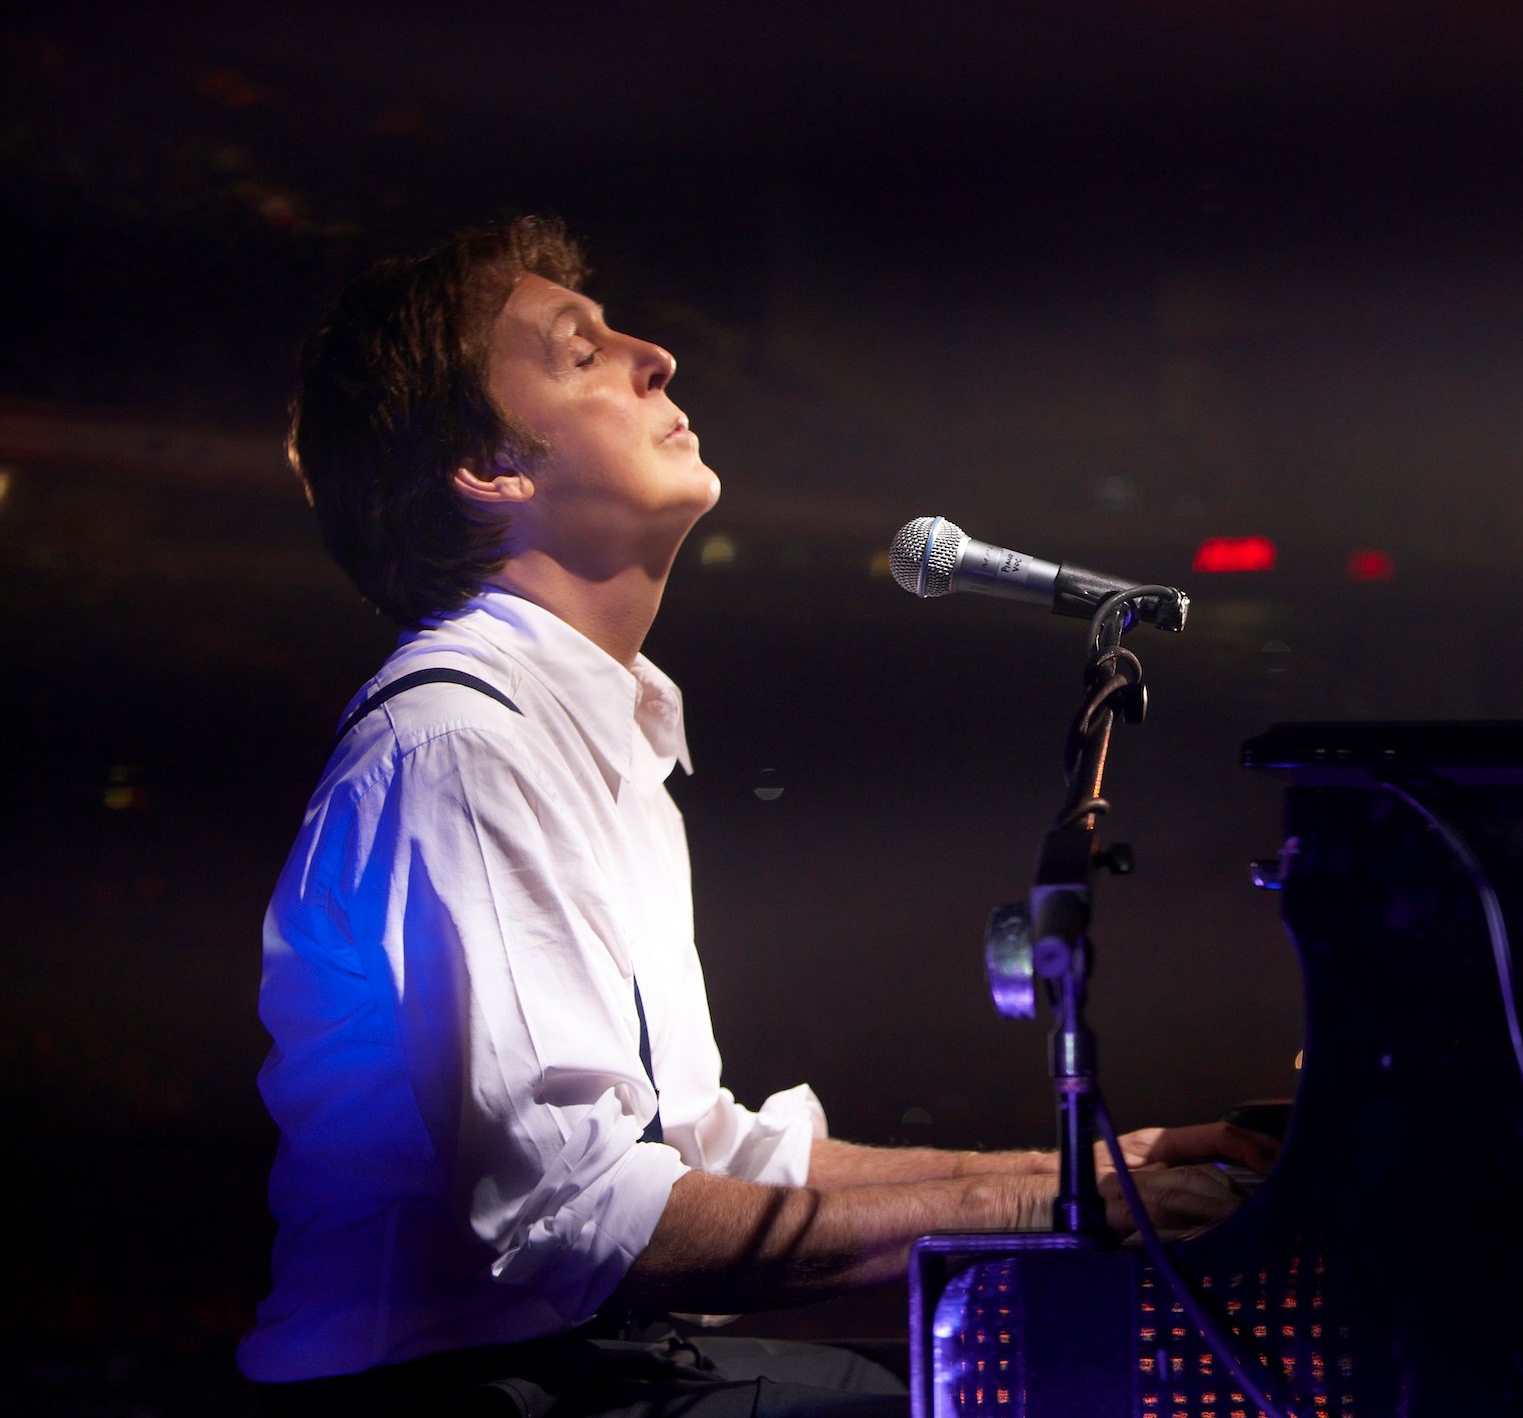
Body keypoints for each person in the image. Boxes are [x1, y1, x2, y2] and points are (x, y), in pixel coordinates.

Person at [240, 217, 1273, 1416]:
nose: (656, 354)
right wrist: (1050, 1209)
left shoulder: (592, 725)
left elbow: (705, 1157)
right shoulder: (463, 749)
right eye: (580, 353)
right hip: (464, 1392)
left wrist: (1093, 1167)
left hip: (582, 1368)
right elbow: (584, 1220)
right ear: (493, 467)